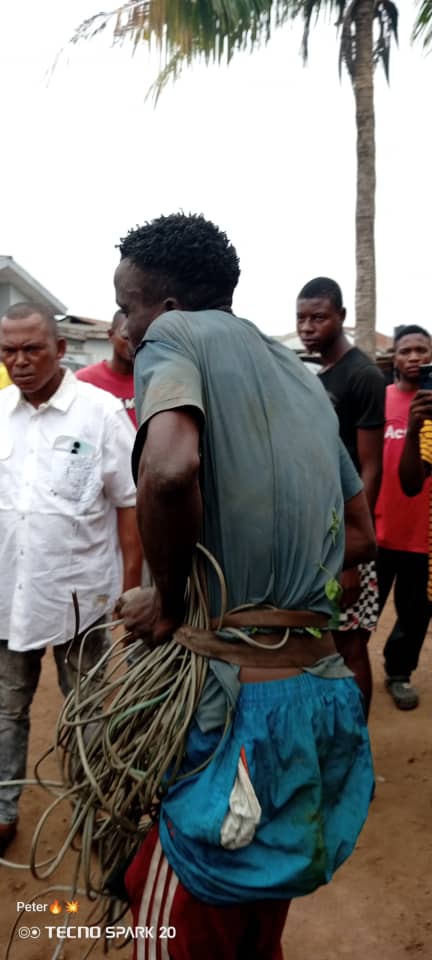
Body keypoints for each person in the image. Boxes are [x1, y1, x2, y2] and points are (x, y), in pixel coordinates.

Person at [112, 213, 376, 960]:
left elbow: (170, 471)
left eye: (127, 307)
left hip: (231, 711)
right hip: (316, 700)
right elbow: (360, 535)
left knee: (173, 924)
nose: (122, 326)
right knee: (257, 924)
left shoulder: (172, 337)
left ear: (166, 307)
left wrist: (171, 602)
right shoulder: (302, 377)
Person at [0, 301, 142, 855]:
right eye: (9, 351)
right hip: (9, 594)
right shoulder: (0, 411)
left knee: (85, 708)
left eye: (32, 349)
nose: (20, 361)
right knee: (6, 708)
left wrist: (131, 586)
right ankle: (3, 811)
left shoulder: (99, 413)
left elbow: (129, 503)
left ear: (60, 350)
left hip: (81, 595)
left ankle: (91, 807)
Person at [296, 277, 385, 716]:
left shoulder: (363, 375)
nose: (307, 328)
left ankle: (356, 740)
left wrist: (350, 554)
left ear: (342, 317)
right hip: (320, 533)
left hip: (348, 538)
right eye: (301, 319)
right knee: (323, 642)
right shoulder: (320, 375)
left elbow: (370, 467)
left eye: (319, 318)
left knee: (350, 645)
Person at [375, 325, 432, 709]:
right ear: (393, 358)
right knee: (362, 609)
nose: (413, 357)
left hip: (423, 534)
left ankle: (399, 673)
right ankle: (346, 669)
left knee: (414, 614)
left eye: (421, 350)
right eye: (405, 350)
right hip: (379, 529)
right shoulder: (379, 400)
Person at [76, 308, 137, 427]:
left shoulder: (154, 381)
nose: (132, 343)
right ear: (110, 335)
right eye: (125, 336)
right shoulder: (84, 381)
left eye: (137, 336)